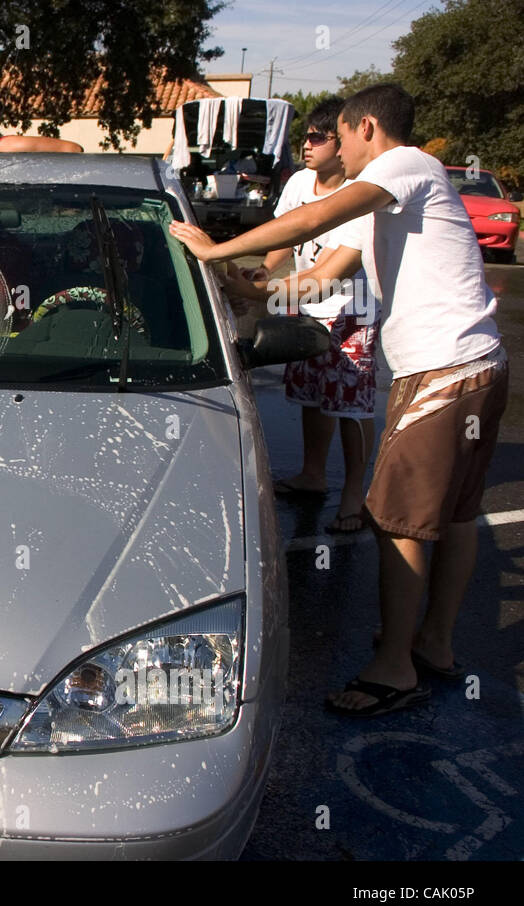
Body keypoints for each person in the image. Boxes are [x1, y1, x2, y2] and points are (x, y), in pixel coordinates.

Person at [170, 84, 506, 717]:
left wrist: (216, 249)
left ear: (368, 128)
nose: (339, 153)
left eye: (343, 138)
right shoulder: (400, 198)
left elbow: (310, 222)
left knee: (393, 517)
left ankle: (393, 668)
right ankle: (431, 643)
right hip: (476, 365)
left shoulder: (401, 167)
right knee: (458, 515)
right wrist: (247, 289)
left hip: (442, 372)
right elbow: (320, 278)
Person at [244, 97, 378, 534]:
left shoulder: (360, 192)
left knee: (351, 406)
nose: (307, 144)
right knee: (314, 394)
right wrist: (265, 267)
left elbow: (334, 269)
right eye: (305, 135)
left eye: (318, 137)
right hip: (308, 304)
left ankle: (356, 494)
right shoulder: (301, 180)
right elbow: (290, 229)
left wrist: (254, 289)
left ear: (342, 144)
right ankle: (313, 473)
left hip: (350, 311)